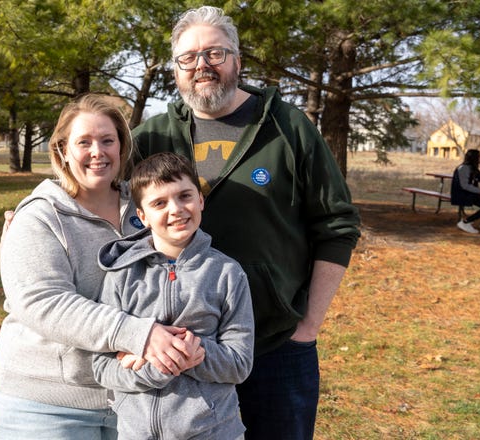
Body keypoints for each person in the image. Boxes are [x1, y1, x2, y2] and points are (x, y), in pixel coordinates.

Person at [132, 6, 361, 439]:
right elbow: (95, 189)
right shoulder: (153, 137)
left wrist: (307, 326)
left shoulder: (287, 127)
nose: (202, 66)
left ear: (237, 60)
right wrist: (36, 212)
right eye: (188, 58)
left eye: (215, 53)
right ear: (176, 70)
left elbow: (337, 224)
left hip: (275, 346)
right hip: (180, 349)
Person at [0, 94, 203, 439]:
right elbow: (44, 302)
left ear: (122, 146)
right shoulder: (39, 217)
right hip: (46, 408)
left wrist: (187, 341)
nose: (97, 152)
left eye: (107, 140)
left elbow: (188, 270)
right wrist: (140, 335)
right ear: (61, 150)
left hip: (135, 401)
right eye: (83, 142)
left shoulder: (147, 207)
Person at [92, 152, 254, 439]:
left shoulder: (228, 274)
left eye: (185, 196)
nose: (176, 209)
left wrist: (196, 351)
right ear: (142, 216)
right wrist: (160, 366)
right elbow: (103, 368)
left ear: (201, 200)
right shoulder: (122, 274)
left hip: (214, 431)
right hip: (136, 433)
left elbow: (239, 363)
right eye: (159, 203)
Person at [452, 148, 480, 234]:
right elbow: (465, 186)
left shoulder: (472, 168)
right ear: (474, 158)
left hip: (469, 193)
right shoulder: (463, 168)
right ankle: (465, 222)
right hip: (461, 195)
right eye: (479, 157)